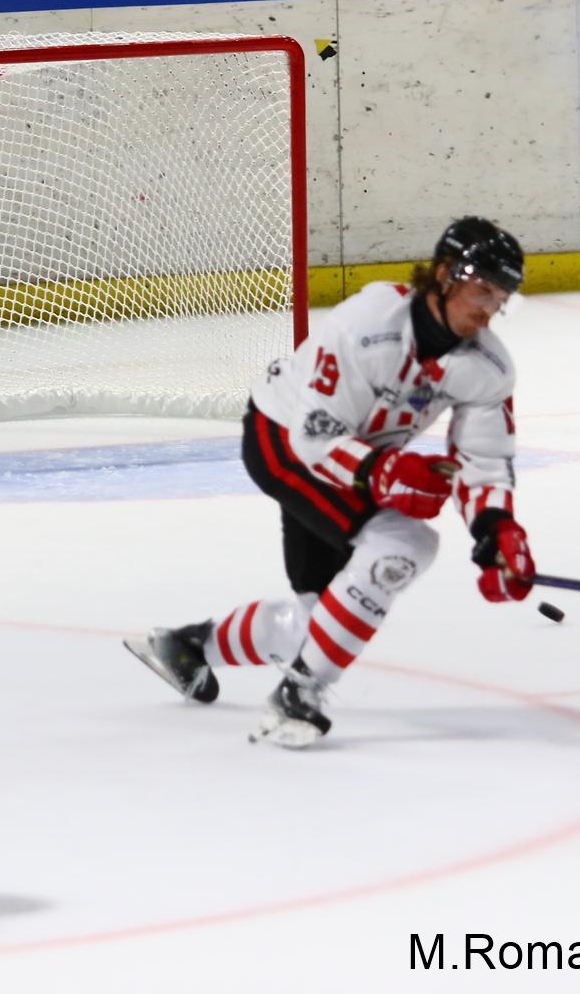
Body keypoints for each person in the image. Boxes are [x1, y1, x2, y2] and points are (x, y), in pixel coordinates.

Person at [124, 216, 537, 748]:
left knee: (325, 621)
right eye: (482, 290)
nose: (488, 309)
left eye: (500, 298)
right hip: (282, 439)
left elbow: (484, 457)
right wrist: (382, 472)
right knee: (404, 544)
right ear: (443, 276)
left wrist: (496, 528)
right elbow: (315, 437)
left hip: (352, 458)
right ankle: (297, 695)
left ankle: (185, 648)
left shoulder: (487, 366)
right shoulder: (367, 325)